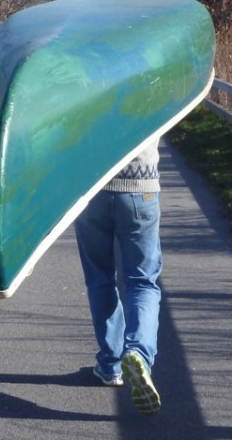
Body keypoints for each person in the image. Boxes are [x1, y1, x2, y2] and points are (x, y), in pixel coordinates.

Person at [73, 137, 163, 415]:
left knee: (100, 279)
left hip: (90, 188)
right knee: (142, 282)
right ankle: (138, 353)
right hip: (141, 187)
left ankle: (111, 365)